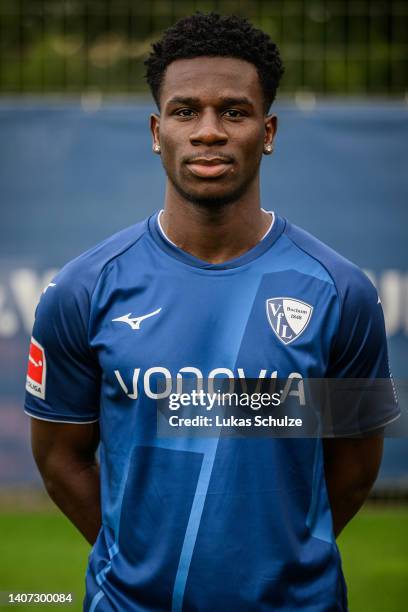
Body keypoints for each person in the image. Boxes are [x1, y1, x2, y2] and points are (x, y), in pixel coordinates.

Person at [24, 12, 399, 612]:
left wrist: (279, 558)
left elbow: (354, 464)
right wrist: (142, 557)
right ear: (155, 131)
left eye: (233, 111)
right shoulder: (82, 289)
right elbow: (59, 457)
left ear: (268, 131)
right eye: (184, 111)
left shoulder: (341, 290)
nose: (208, 131)